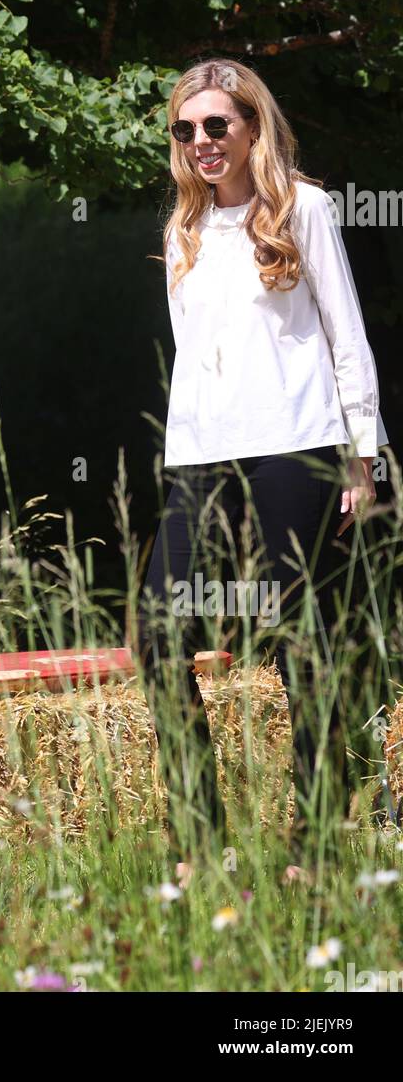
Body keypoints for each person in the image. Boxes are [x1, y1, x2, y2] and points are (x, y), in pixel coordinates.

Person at [137, 58, 389, 878]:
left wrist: (363, 455)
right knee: (157, 632)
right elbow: (192, 356)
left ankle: (313, 842)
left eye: (218, 124)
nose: (202, 141)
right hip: (201, 455)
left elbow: (346, 333)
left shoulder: (304, 208)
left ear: (252, 126)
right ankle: (198, 842)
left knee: (301, 641)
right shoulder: (180, 229)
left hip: (297, 445)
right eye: (186, 129)